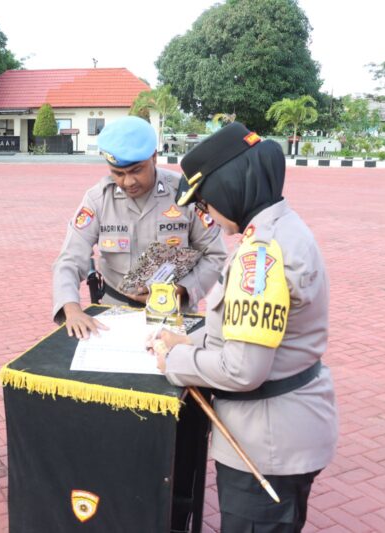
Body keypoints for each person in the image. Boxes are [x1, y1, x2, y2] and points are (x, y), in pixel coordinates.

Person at [150, 122, 338, 533]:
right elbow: (237, 330)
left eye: (204, 203)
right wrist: (190, 338)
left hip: (266, 443)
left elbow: (243, 370)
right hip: (287, 430)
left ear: (230, 187)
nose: (207, 216)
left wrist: (174, 358)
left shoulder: (260, 258)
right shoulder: (280, 229)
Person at [52, 116, 227, 338]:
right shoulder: (97, 200)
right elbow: (70, 259)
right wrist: (71, 307)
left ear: (154, 157)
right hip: (114, 313)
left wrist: (183, 289)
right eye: (118, 173)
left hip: (173, 312)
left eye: (136, 170)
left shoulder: (185, 195)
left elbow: (216, 254)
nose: (128, 182)